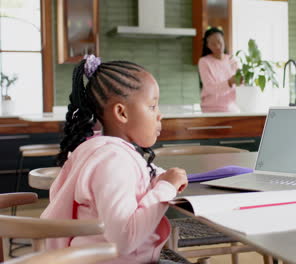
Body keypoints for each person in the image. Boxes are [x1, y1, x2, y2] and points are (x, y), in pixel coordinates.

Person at [40, 55, 188, 264]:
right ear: (121, 112)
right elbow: (124, 239)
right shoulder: (113, 161)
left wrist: (158, 179)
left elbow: (132, 183)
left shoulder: (100, 150)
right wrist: (165, 187)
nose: (160, 115)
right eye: (152, 106)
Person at [198, 27, 240, 112]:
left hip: (232, 108)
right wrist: (229, 82)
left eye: (219, 42)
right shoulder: (204, 62)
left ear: (223, 41)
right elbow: (210, 88)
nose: (217, 46)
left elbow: (239, 85)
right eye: (213, 44)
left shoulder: (232, 60)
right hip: (211, 109)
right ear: (207, 45)